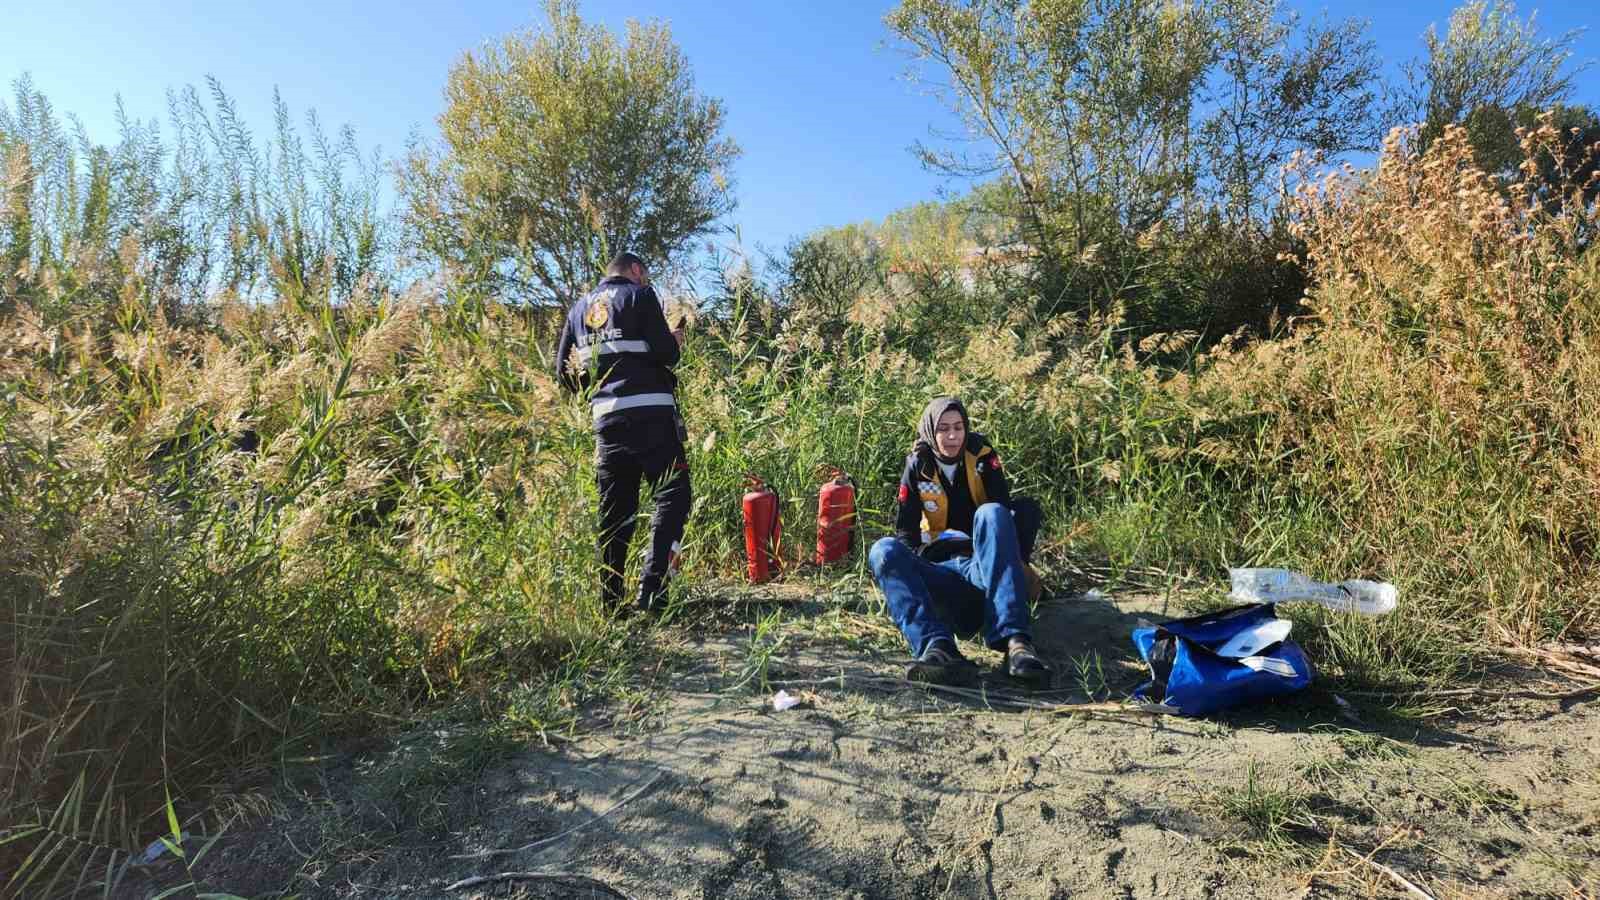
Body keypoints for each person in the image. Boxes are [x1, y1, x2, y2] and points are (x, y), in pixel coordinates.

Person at [868, 397, 1051, 685]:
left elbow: (1003, 511)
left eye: (958, 427)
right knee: (883, 550)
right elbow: (905, 531)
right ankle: (937, 648)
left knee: (993, 513)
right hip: (940, 570)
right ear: (930, 431)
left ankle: (1016, 643)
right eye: (943, 429)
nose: (952, 436)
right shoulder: (918, 464)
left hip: (982, 566)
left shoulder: (982, 454)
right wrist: (917, 569)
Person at [554, 251, 689, 614]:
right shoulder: (641, 296)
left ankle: (611, 604)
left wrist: (598, 387)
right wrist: (674, 341)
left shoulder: (578, 309)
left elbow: (563, 373)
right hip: (653, 418)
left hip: (608, 423)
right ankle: (652, 591)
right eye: (644, 275)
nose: (647, 281)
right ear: (635, 270)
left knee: (615, 513)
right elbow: (665, 353)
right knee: (673, 495)